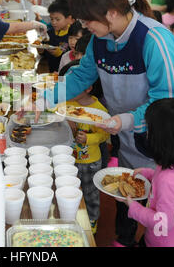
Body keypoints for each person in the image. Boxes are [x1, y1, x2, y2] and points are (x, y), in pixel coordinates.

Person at [35, 0, 174, 247]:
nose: (84, 27)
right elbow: (81, 77)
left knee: (163, 208)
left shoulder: (155, 40)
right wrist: (45, 99)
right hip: (126, 131)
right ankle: (123, 239)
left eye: (87, 20)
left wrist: (127, 120)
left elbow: (165, 102)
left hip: (164, 138)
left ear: (110, 13)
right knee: (127, 192)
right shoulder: (100, 41)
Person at [118, 97, 174, 247]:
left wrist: (132, 205)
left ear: (164, 141)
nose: (147, 134)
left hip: (165, 242)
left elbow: (162, 222)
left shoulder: (168, 179)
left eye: (150, 131)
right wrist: (149, 173)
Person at [66, 78, 109, 235]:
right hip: (69, 159)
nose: (69, 88)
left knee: (90, 192)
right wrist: (66, 123)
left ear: (88, 88)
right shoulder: (68, 104)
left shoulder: (99, 110)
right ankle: (72, 217)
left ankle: (91, 219)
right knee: (70, 190)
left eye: (74, 85)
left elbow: (104, 135)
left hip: (90, 161)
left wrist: (88, 139)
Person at [40, 0, 74, 72]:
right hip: (52, 72)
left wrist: (59, 52)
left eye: (57, 19)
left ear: (69, 19)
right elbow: (44, 52)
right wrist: (40, 50)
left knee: (62, 83)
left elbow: (66, 49)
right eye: (51, 19)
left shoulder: (72, 35)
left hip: (66, 74)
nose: (53, 22)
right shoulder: (49, 33)